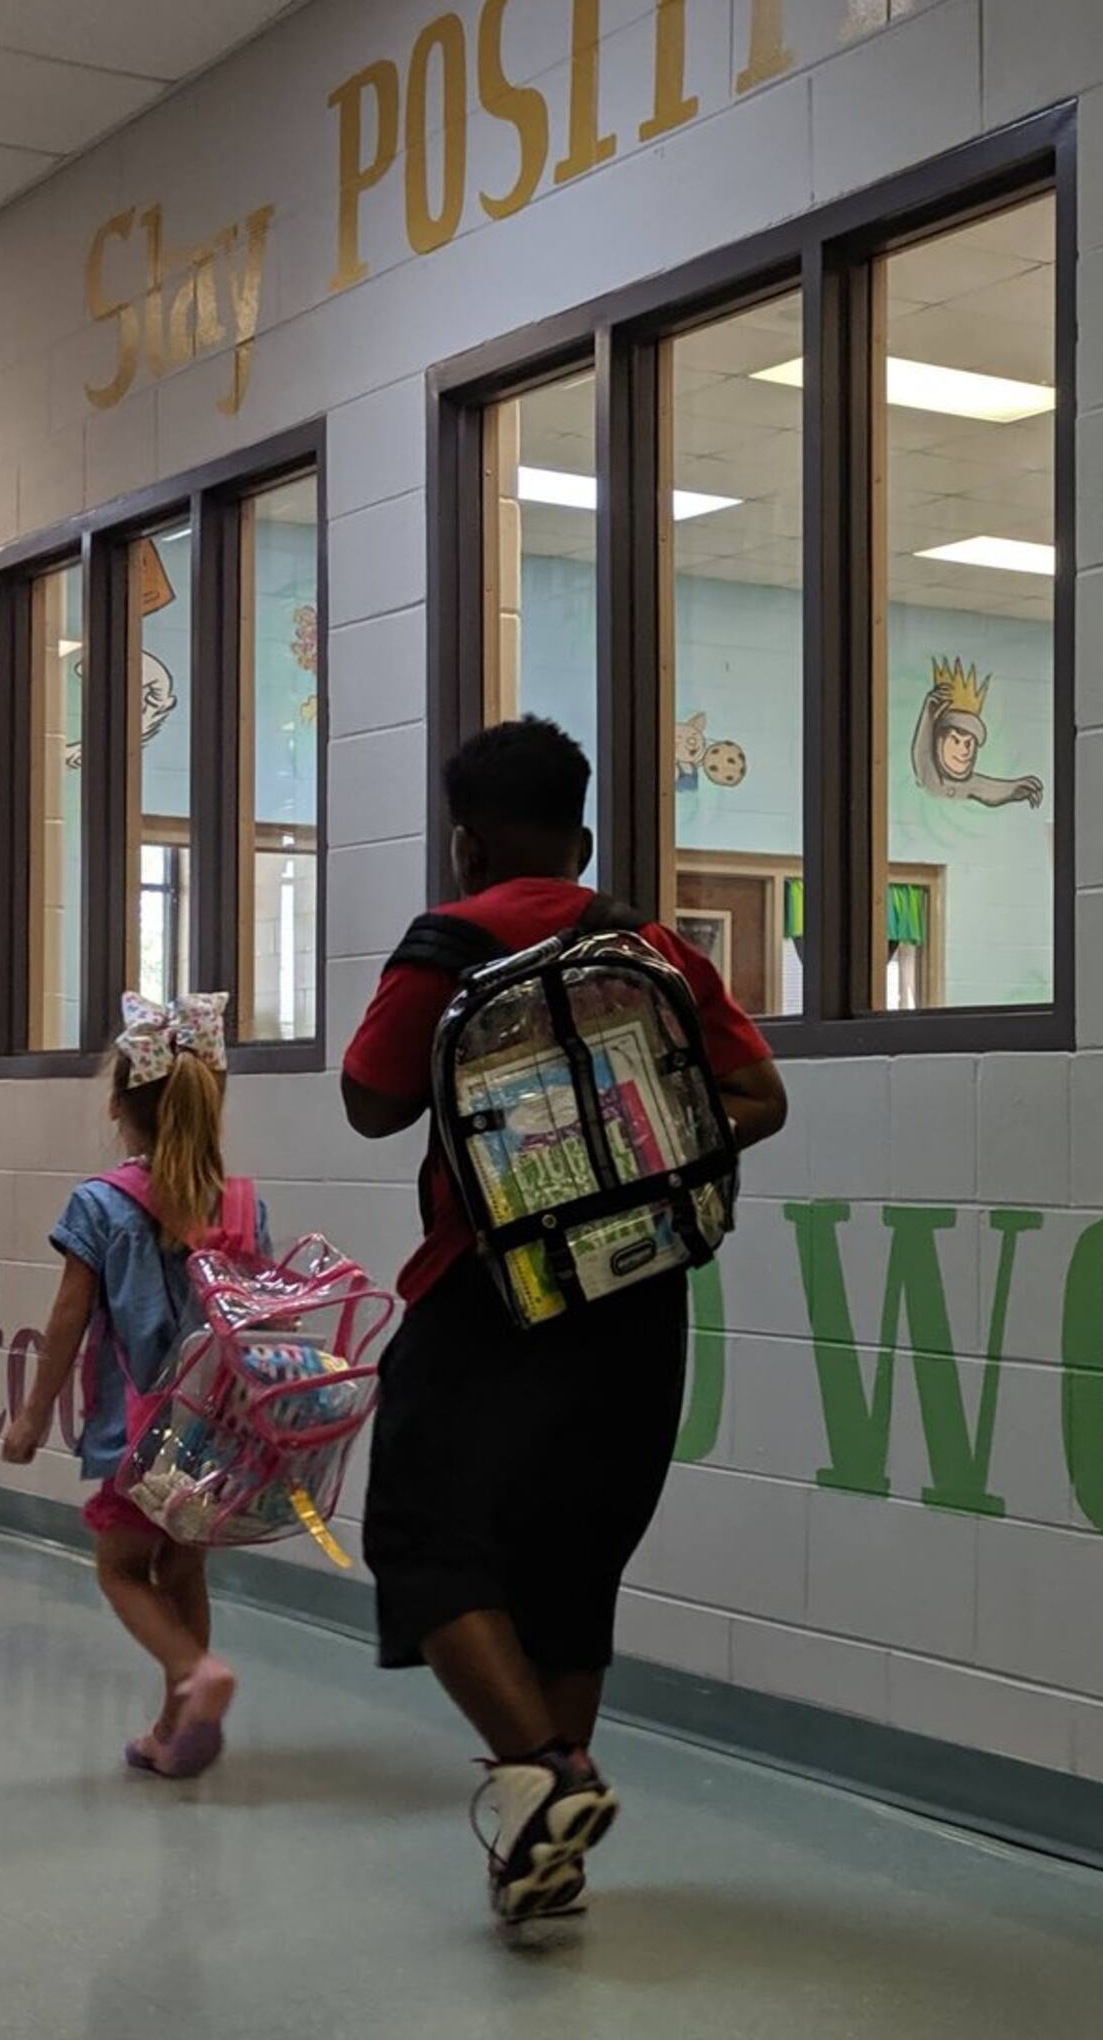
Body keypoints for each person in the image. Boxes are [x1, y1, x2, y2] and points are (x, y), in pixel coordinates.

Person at [336, 718, 789, 1924]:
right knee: (573, 1568)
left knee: (422, 1538)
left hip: (490, 1292)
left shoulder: (445, 945)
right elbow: (759, 1096)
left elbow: (371, 1103)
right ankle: (548, 1860)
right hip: (639, 1294)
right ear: (581, 841)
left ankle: (548, 1774)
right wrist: (629, 1151)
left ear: (465, 844)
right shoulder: (646, 946)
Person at [0, 991, 257, 1778]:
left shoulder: (101, 1203)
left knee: (120, 1568)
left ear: (118, 1106)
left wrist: (32, 1416)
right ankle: (175, 1729)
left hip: (139, 1431)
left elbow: (68, 1318)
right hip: (216, 1428)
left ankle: (194, 1674)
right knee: (182, 1568)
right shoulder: (238, 1202)